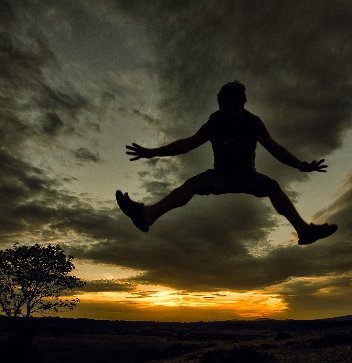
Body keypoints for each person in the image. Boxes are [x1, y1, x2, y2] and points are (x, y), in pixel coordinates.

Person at [116, 81, 337, 245]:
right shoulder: (217, 120)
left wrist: (300, 165)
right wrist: (153, 152)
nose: (229, 113)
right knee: (192, 185)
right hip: (220, 175)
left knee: (273, 187)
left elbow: (274, 148)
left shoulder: (253, 122)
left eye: (233, 109)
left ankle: (303, 231)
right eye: (225, 108)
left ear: (242, 105)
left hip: (247, 175)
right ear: (220, 106)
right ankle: (147, 215)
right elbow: (189, 143)